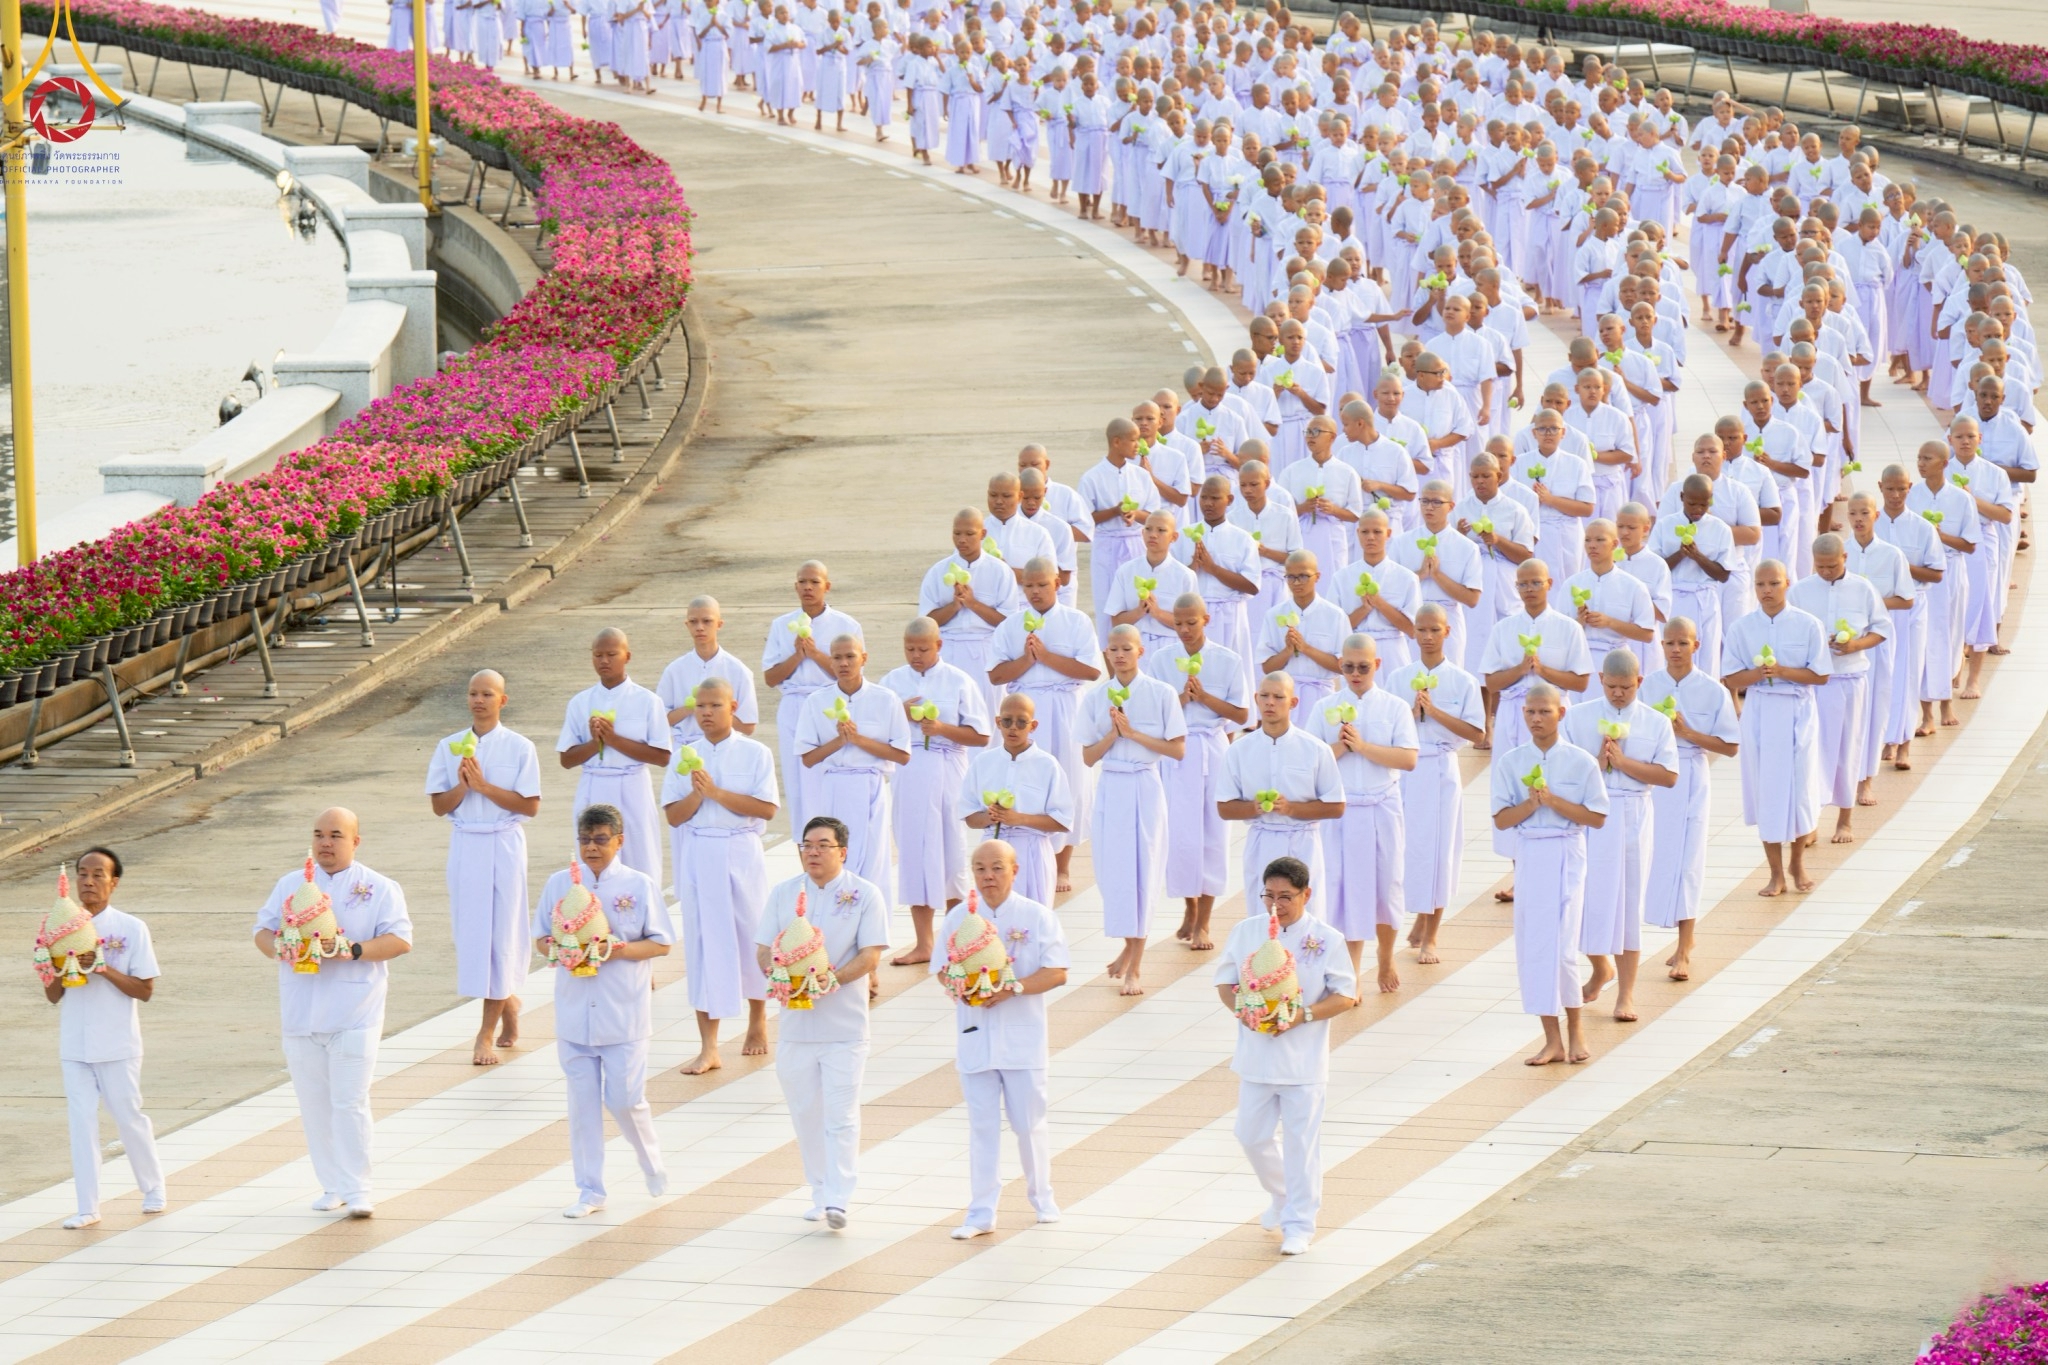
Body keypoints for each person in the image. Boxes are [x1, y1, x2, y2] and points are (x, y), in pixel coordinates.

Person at [254, 808, 412, 1218]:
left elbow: (400, 939)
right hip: (301, 1011)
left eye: (336, 835)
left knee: (349, 1102)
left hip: (355, 1011)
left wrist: (353, 950)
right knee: (314, 1106)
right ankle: (332, 1185)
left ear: (355, 841)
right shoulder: (291, 884)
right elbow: (262, 931)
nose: (325, 843)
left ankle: (358, 1189)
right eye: (319, 834)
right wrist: (281, 948)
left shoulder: (379, 887)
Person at [1213, 856, 1357, 1257]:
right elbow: (1224, 982)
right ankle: (1282, 1195)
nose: (1276, 905)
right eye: (1269, 895)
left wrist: (1302, 1016)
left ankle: (1299, 1225)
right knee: (1250, 1135)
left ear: (1306, 894)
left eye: (1286, 897)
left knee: (1301, 1145)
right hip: (1256, 1057)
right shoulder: (1246, 931)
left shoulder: (1327, 939)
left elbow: (1346, 995)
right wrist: (1245, 1013)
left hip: (1303, 1063)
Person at [534, 805, 672, 1218]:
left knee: (625, 1100)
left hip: (622, 1012)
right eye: (584, 840)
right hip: (574, 1013)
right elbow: (540, 936)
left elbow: (661, 942)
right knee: (582, 1109)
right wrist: (561, 948)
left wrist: (616, 949)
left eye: (600, 839)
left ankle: (651, 1162)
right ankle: (590, 1190)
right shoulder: (559, 883)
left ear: (619, 841)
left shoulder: (638, 885)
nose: (591, 848)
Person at [755, 816, 890, 1230]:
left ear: (842, 852)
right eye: (807, 845)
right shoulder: (783, 892)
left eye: (822, 845)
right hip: (796, 1028)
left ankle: (839, 1199)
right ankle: (819, 1190)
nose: (812, 852)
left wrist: (830, 980)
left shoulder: (864, 894)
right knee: (806, 1114)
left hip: (845, 1028)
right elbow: (763, 949)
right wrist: (779, 976)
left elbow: (870, 955)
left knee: (841, 1116)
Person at [936, 840, 1070, 1239]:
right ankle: (981, 1213)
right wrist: (960, 986)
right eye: (980, 868)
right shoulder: (958, 917)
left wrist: (1012, 988)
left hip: (1022, 1038)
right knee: (981, 1128)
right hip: (975, 1034)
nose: (988, 876)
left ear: (1015, 870)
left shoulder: (1036, 916)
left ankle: (1042, 1198)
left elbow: (1057, 971)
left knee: (1029, 1125)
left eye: (997, 868)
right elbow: (941, 968)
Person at [44, 848, 166, 1230]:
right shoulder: (59, 927)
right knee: (81, 1123)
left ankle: (153, 1188)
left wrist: (102, 967)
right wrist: (63, 968)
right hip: (75, 1045)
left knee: (128, 1118)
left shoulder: (131, 928)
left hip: (117, 1044)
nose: (89, 882)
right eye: (83, 874)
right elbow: (52, 994)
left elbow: (145, 990)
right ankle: (88, 1206)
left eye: (98, 875)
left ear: (114, 882)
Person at [662, 675, 778, 1075]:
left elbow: (766, 809)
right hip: (700, 851)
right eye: (700, 706)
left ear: (733, 708)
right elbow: (673, 817)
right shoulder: (684, 755)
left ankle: (758, 1018)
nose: (706, 713)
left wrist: (716, 793)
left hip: (741, 850)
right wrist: (697, 794)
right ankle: (708, 1046)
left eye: (715, 705)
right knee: (703, 943)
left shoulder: (755, 752)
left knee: (751, 933)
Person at [427, 670, 543, 1067]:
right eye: (473, 693)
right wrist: (463, 785)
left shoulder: (520, 747)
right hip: (466, 844)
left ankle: (485, 1033)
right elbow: (439, 806)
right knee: (474, 933)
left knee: (501, 933)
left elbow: (530, 806)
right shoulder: (449, 746)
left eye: (487, 694)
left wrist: (484, 787)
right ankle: (509, 1002)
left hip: (503, 843)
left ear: (502, 700)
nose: (479, 700)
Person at [1490, 685, 1608, 1066]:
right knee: (1536, 946)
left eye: (1544, 711)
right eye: (1530, 712)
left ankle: (1576, 1030)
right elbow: (1501, 819)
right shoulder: (1511, 762)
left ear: (1561, 713)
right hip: (1531, 852)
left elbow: (1597, 817)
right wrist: (1531, 804)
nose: (1536, 719)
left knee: (1564, 946)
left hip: (1567, 851)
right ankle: (1551, 1039)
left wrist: (1554, 801)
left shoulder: (1581, 762)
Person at [1560, 649, 1677, 1023]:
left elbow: (1669, 776)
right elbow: (1564, 772)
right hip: (1590, 816)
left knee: (1627, 905)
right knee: (1583, 901)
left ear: (1639, 682)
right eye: (1611, 687)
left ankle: (1626, 994)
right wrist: (1597, 763)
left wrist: (1624, 763)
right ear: (1600, 680)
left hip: (1631, 815)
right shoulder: (1578, 717)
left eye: (1626, 687)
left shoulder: (1656, 722)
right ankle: (1600, 967)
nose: (1618, 694)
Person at [1305, 633, 1419, 990]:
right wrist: (1342, 746)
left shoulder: (1394, 707)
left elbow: (1408, 759)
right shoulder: (1324, 707)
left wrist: (1364, 746)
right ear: (1340, 665)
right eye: (1349, 667)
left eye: (1364, 668)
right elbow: (1310, 760)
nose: (1356, 674)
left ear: (1377, 665)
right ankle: (1351, 971)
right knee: (1343, 888)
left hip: (1382, 805)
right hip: (1342, 809)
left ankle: (1386, 957)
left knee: (1388, 885)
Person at [1081, 624, 1187, 996]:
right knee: (1113, 873)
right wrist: (1113, 733)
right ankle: (1128, 947)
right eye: (1114, 649)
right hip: (1111, 786)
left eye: (1127, 648)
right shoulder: (1096, 698)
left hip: (1144, 784)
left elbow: (1177, 749)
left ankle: (1135, 966)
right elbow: (1087, 756)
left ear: (1140, 651)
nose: (1120, 655)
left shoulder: (1161, 693)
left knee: (1144, 870)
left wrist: (1133, 733)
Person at [986, 558, 1101, 894]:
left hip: (1064, 708)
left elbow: (1092, 671)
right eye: (1029, 586)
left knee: (1069, 781)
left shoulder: (1076, 621)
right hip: (1024, 710)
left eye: (1042, 585)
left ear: (1057, 584)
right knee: (1028, 781)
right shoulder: (1010, 626)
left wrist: (1047, 657)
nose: (1035, 592)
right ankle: (1025, 857)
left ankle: (1062, 865)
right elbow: (996, 675)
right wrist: (1027, 659)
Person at [881, 617, 991, 966]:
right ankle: (924, 943)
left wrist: (941, 728)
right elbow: (876, 730)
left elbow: (981, 735)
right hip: (909, 769)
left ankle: (959, 939)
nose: (916, 656)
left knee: (951, 851)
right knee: (913, 851)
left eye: (923, 649)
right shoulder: (892, 682)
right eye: (910, 649)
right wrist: (898, 714)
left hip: (947, 767)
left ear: (939, 646)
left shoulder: (959, 680)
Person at [1144, 592, 1249, 951]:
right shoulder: (1161, 660)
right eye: (1178, 623)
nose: (1185, 630)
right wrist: (1182, 698)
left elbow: (1241, 714)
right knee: (1180, 836)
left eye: (1192, 622)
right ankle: (1189, 906)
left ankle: (1204, 920)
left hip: (1212, 749)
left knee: (1213, 835)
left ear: (1206, 620)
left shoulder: (1227, 660)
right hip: (1177, 752)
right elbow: (1151, 711)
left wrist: (1204, 698)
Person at [1383, 603, 1485, 964]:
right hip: (1407, 771)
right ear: (1413, 632)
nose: (1427, 637)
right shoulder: (1398, 679)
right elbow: (1385, 730)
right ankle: (1417, 916)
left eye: (1434, 630)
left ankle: (1432, 933)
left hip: (1441, 769)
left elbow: (1476, 733)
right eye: (1421, 630)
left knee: (1440, 849)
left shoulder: (1462, 680)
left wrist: (1435, 712)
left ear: (1447, 632)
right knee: (1408, 847)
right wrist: (1411, 714)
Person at [1722, 560, 1832, 897]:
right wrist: (1759, 675)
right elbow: (1731, 678)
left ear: (1787, 584)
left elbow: (1821, 675)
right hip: (1761, 710)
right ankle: (1775, 873)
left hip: (1798, 709)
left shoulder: (1808, 625)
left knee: (1801, 788)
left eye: (1773, 583)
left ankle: (1797, 862)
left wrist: (1783, 671)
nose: (1766, 591)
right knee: (1766, 789)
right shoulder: (1742, 628)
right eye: (1760, 584)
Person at [1640, 618, 1740, 982]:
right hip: (1655, 777)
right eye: (1670, 643)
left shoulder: (1712, 690)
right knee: (1653, 854)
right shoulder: (1649, 686)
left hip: (1692, 774)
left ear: (1696, 645)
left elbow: (1730, 746)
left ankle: (1684, 945)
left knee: (1689, 858)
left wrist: (1688, 733)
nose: (1676, 649)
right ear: (1662, 646)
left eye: (1683, 643)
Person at [1220, 670, 1347, 924]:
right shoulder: (1239, 750)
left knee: (1307, 919)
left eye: (1279, 697)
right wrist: (1253, 808)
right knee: (1262, 918)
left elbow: (1336, 806)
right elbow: (1224, 807)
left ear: (1293, 702)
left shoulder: (1315, 748)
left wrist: (1291, 808)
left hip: (1303, 842)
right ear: (1256, 698)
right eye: (1265, 696)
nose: (1270, 703)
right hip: (1262, 840)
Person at [1789, 533, 1891, 843]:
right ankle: (1810, 823)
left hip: (1850, 679)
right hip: (1813, 683)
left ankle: (1845, 820)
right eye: (1820, 566)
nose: (1825, 572)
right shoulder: (1800, 591)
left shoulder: (1863, 589)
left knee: (1848, 749)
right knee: (1810, 753)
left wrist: (1855, 645)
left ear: (1844, 558)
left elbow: (1882, 629)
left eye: (1831, 566)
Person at [798, 633, 914, 893]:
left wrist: (858, 740)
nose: (844, 663)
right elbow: (808, 758)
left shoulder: (886, 699)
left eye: (850, 656)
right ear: (830, 661)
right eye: (837, 658)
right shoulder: (816, 701)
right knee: (836, 857)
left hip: (870, 784)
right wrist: (839, 741)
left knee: (874, 860)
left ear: (864, 658)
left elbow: (902, 755)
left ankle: (872, 915)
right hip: (834, 786)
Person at [558, 628, 671, 881]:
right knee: (593, 856)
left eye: (611, 654)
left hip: (632, 784)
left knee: (640, 855)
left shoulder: (647, 700)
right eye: (598, 655)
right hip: (594, 783)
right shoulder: (580, 702)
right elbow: (566, 759)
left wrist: (614, 740)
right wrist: (595, 743)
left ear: (627, 656)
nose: (604, 661)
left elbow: (662, 756)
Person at [762, 561, 865, 835]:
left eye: (815, 582)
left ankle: (835, 842)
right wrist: (797, 655)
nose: (808, 587)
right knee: (797, 783)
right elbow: (770, 677)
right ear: (795, 586)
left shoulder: (846, 625)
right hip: (793, 704)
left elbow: (853, 674)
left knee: (827, 778)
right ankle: (805, 844)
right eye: (802, 582)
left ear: (826, 586)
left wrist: (816, 653)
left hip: (830, 706)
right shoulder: (781, 625)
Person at [958, 694, 1075, 907]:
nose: (1013, 728)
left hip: (1033, 850)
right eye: (1007, 721)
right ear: (998, 722)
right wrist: (991, 817)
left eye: (1021, 722)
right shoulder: (983, 762)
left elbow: (1062, 821)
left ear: (1033, 726)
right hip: (993, 851)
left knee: (1033, 917)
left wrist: (1019, 819)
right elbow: (970, 816)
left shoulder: (1047, 765)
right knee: (994, 917)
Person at [918, 509, 1025, 718]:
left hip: (985, 651)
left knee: (987, 712)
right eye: (957, 533)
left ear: (983, 534)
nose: (962, 540)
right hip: (948, 650)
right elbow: (926, 622)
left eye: (969, 534)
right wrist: (954, 606)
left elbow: (1008, 622)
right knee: (950, 713)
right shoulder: (938, 571)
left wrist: (973, 604)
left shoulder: (1000, 571)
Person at [657, 595, 760, 750]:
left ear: (719, 624)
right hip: (685, 749)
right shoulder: (674, 670)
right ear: (687, 625)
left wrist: (717, 712)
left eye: (707, 621)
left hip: (726, 749)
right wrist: (692, 708)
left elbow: (748, 726)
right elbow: (659, 720)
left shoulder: (738, 671)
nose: (700, 627)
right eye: (693, 621)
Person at [1258, 549, 1351, 717]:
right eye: (1291, 577)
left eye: (1303, 576)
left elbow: (1345, 667)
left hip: (1322, 697)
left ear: (1317, 576)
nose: (1296, 583)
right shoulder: (1273, 615)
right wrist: (1287, 651)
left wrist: (1306, 648)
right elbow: (1267, 667)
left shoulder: (1335, 615)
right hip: (1285, 699)